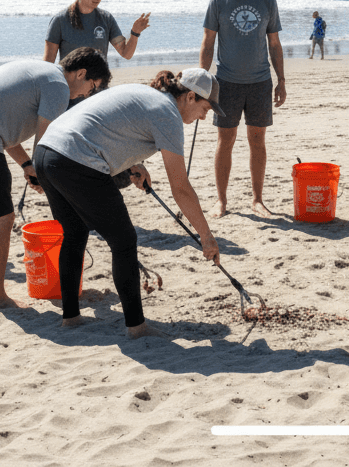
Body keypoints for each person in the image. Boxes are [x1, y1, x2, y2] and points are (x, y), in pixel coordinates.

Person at [35, 69, 224, 338]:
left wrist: (133, 165)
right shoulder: (168, 113)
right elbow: (180, 188)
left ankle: (71, 318)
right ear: (190, 97)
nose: (204, 117)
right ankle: (137, 327)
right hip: (74, 159)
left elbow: (107, 126)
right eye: (205, 108)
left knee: (74, 234)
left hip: (46, 153)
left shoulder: (148, 95)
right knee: (123, 241)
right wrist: (207, 236)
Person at [0, 49, 111, 309]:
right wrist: (51, 180)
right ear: (81, 73)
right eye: (92, 87)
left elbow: (4, 126)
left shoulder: (39, 71)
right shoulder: (58, 86)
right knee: (2, 218)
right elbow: (45, 144)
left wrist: (27, 165)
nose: (87, 95)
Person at [199, 0, 286, 217]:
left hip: (260, 82)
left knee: (257, 140)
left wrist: (281, 80)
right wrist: (201, 80)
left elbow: (274, 44)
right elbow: (208, 42)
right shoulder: (219, 1)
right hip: (227, 81)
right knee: (226, 140)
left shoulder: (268, 2)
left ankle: (257, 200)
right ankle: (221, 201)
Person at [44, 0, 149, 66]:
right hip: (69, 84)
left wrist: (135, 33)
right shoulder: (59, 21)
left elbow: (126, 53)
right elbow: (48, 65)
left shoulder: (107, 19)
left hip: (100, 84)